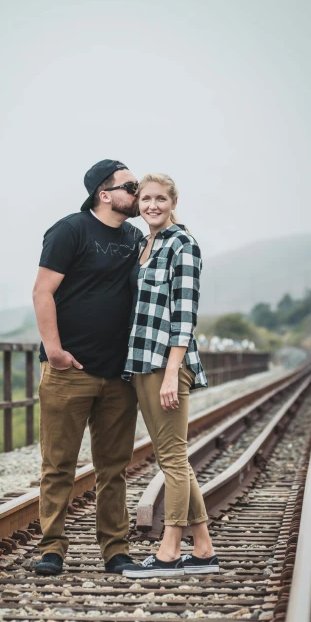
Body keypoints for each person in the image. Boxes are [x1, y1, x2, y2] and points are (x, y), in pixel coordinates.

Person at [32, 159, 143, 576]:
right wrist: (55, 351)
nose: (136, 191)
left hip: (119, 374)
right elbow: (42, 292)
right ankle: (52, 549)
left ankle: (115, 550)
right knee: (59, 465)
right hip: (68, 370)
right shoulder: (70, 230)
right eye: (130, 186)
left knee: (113, 469)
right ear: (104, 193)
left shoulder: (135, 237)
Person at [121, 173, 219, 579]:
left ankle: (168, 552)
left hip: (166, 364)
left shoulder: (183, 243)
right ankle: (203, 550)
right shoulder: (146, 244)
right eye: (146, 199)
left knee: (173, 460)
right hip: (142, 361)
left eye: (160, 198)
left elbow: (184, 315)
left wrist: (171, 372)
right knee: (171, 457)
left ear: (173, 200)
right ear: (138, 203)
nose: (152, 205)